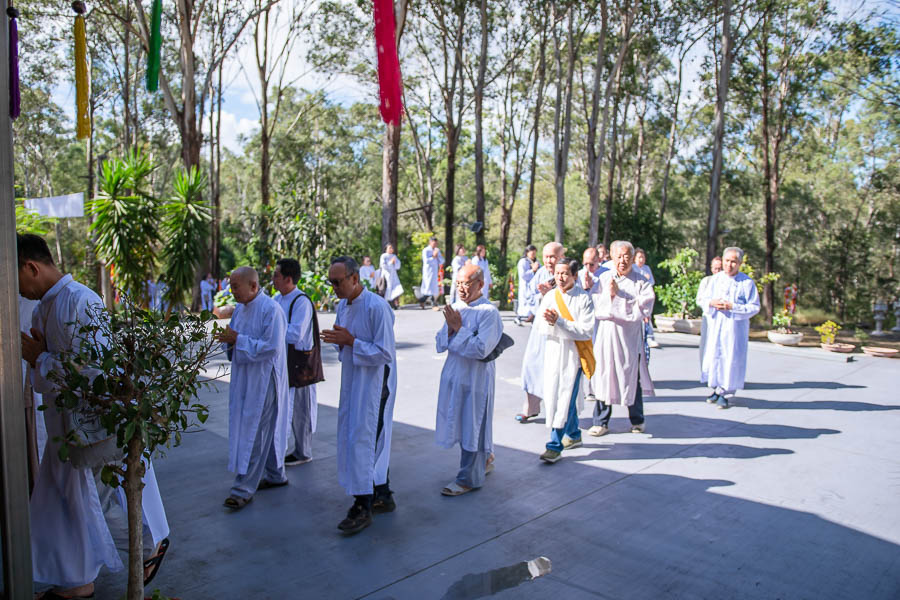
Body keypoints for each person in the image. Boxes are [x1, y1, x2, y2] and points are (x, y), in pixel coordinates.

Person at [17, 233, 169, 599]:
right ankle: (77, 581)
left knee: (94, 504)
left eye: (14, 277)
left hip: (91, 426)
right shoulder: (41, 310)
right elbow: (45, 380)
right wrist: (40, 362)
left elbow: (97, 374)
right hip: (62, 427)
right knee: (63, 506)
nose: (16, 289)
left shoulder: (81, 300)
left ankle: (148, 547)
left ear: (31, 267)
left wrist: (40, 358)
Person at [321, 257, 397, 535]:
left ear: (355, 278)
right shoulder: (343, 305)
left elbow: (385, 352)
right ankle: (382, 494)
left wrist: (351, 342)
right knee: (358, 435)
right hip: (352, 380)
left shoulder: (377, 307)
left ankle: (362, 505)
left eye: (337, 282)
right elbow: (344, 343)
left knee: (366, 438)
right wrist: (342, 342)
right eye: (331, 282)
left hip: (374, 384)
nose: (334, 287)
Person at [214, 267, 291, 510]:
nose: (232, 291)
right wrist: (229, 341)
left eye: (236, 286)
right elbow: (234, 338)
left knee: (256, 431)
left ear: (254, 286)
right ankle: (276, 475)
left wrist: (238, 340)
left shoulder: (271, 310)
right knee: (259, 428)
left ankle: (242, 489)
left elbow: (272, 347)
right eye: (231, 286)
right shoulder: (240, 310)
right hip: (245, 378)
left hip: (265, 380)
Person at [435, 264, 503, 495]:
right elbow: (440, 343)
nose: (462, 289)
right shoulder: (456, 307)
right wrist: (451, 330)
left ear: (480, 284)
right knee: (461, 422)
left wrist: (458, 329)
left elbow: (481, 349)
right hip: (455, 374)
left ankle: (468, 479)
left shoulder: (488, 312)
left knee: (473, 425)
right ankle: (486, 458)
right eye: (458, 284)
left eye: (467, 283)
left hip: (476, 378)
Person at [590, 240, 656, 436]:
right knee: (604, 376)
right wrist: (609, 296)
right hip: (606, 337)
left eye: (627, 256)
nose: (623, 260)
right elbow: (595, 304)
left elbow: (643, 309)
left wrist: (618, 296)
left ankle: (637, 420)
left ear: (633, 258)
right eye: (619, 256)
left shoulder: (641, 282)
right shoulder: (604, 278)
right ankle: (600, 422)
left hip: (628, 339)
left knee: (631, 378)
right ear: (611, 257)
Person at [536, 258, 595, 463]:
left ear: (575, 276)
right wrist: (552, 323)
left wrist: (559, 322)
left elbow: (586, 330)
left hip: (573, 356)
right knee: (554, 395)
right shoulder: (550, 296)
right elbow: (540, 326)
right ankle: (574, 434)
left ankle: (554, 445)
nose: (560, 278)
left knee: (566, 397)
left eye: (565, 274)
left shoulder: (583, 298)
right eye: (557, 273)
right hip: (553, 351)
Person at [697, 247, 760, 409]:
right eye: (727, 261)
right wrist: (712, 303)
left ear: (739, 263)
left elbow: (754, 307)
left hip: (734, 329)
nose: (729, 265)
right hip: (716, 326)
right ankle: (716, 389)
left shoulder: (746, 283)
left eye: (733, 262)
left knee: (730, 358)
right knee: (714, 357)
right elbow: (702, 299)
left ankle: (726, 392)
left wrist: (733, 306)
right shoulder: (715, 280)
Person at [272, 258, 319, 467]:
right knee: (284, 407)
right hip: (283, 361)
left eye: (277, 276)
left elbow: (295, 334)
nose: (273, 279)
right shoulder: (277, 299)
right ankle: (283, 447)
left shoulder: (301, 301)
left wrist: (272, 331)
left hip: (300, 364)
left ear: (288, 279)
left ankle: (303, 451)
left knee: (302, 409)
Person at [517, 242, 564, 423]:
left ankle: (559, 412)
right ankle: (530, 407)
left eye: (553, 257)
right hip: (539, 326)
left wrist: (550, 295)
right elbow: (531, 294)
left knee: (556, 370)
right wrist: (540, 297)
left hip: (558, 328)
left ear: (561, 257)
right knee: (532, 364)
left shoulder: (567, 274)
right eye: (546, 257)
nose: (549, 261)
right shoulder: (542, 272)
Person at [577, 247, 606, 402]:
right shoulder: (578, 275)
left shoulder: (606, 274)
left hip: (599, 321)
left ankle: (594, 388)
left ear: (599, 261)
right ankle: (582, 389)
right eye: (586, 264)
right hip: (582, 321)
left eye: (592, 264)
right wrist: (585, 288)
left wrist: (592, 287)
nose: (588, 268)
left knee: (597, 355)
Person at [697, 256, 724, 368]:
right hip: (709, 318)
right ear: (712, 268)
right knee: (706, 344)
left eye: (720, 269)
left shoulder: (728, 282)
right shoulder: (706, 281)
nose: (717, 271)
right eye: (715, 268)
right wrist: (711, 303)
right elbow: (699, 300)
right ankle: (705, 370)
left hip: (723, 318)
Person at [633, 248, 659, 350]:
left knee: (647, 316)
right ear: (634, 258)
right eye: (639, 257)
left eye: (643, 257)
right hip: (636, 296)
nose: (641, 260)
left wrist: (646, 279)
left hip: (646, 295)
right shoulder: (633, 268)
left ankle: (649, 337)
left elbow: (651, 281)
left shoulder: (647, 268)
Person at [515, 245, 539, 324]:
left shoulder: (536, 262)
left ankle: (531, 318)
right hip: (525, 286)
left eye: (535, 253)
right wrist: (533, 270)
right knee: (523, 303)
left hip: (533, 287)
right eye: (532, 253)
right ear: (527, 253)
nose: (533, 255)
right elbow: (523, 275)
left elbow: (540, 271)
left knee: (533, 303)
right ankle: (519, 318)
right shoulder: (523, 261)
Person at [419, 237, 444, 308]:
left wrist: (437, 256)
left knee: (434, 288)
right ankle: (423, 300)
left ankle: (433, 303)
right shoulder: (426, 250)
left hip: (435, 272)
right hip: (428, 272)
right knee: (428, 287)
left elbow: (442, 261)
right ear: (430, 242)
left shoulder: (437, 250)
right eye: (433, 243)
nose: (435, 244)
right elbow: (426, 261)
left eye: (436, 243)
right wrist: (433, 256)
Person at [379, 244, 403, 309]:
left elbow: (398, 266)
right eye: (389, 248)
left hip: (394, 275)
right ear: (386, 249)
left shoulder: (394, 256)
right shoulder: (383, 256)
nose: (391, 249)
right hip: (386, 275)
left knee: (397, 289)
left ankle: (395, 304)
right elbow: (383, 266)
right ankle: (387, 304)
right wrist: (390, 262)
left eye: (392, 248)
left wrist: (394, 263)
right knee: (388, 289)